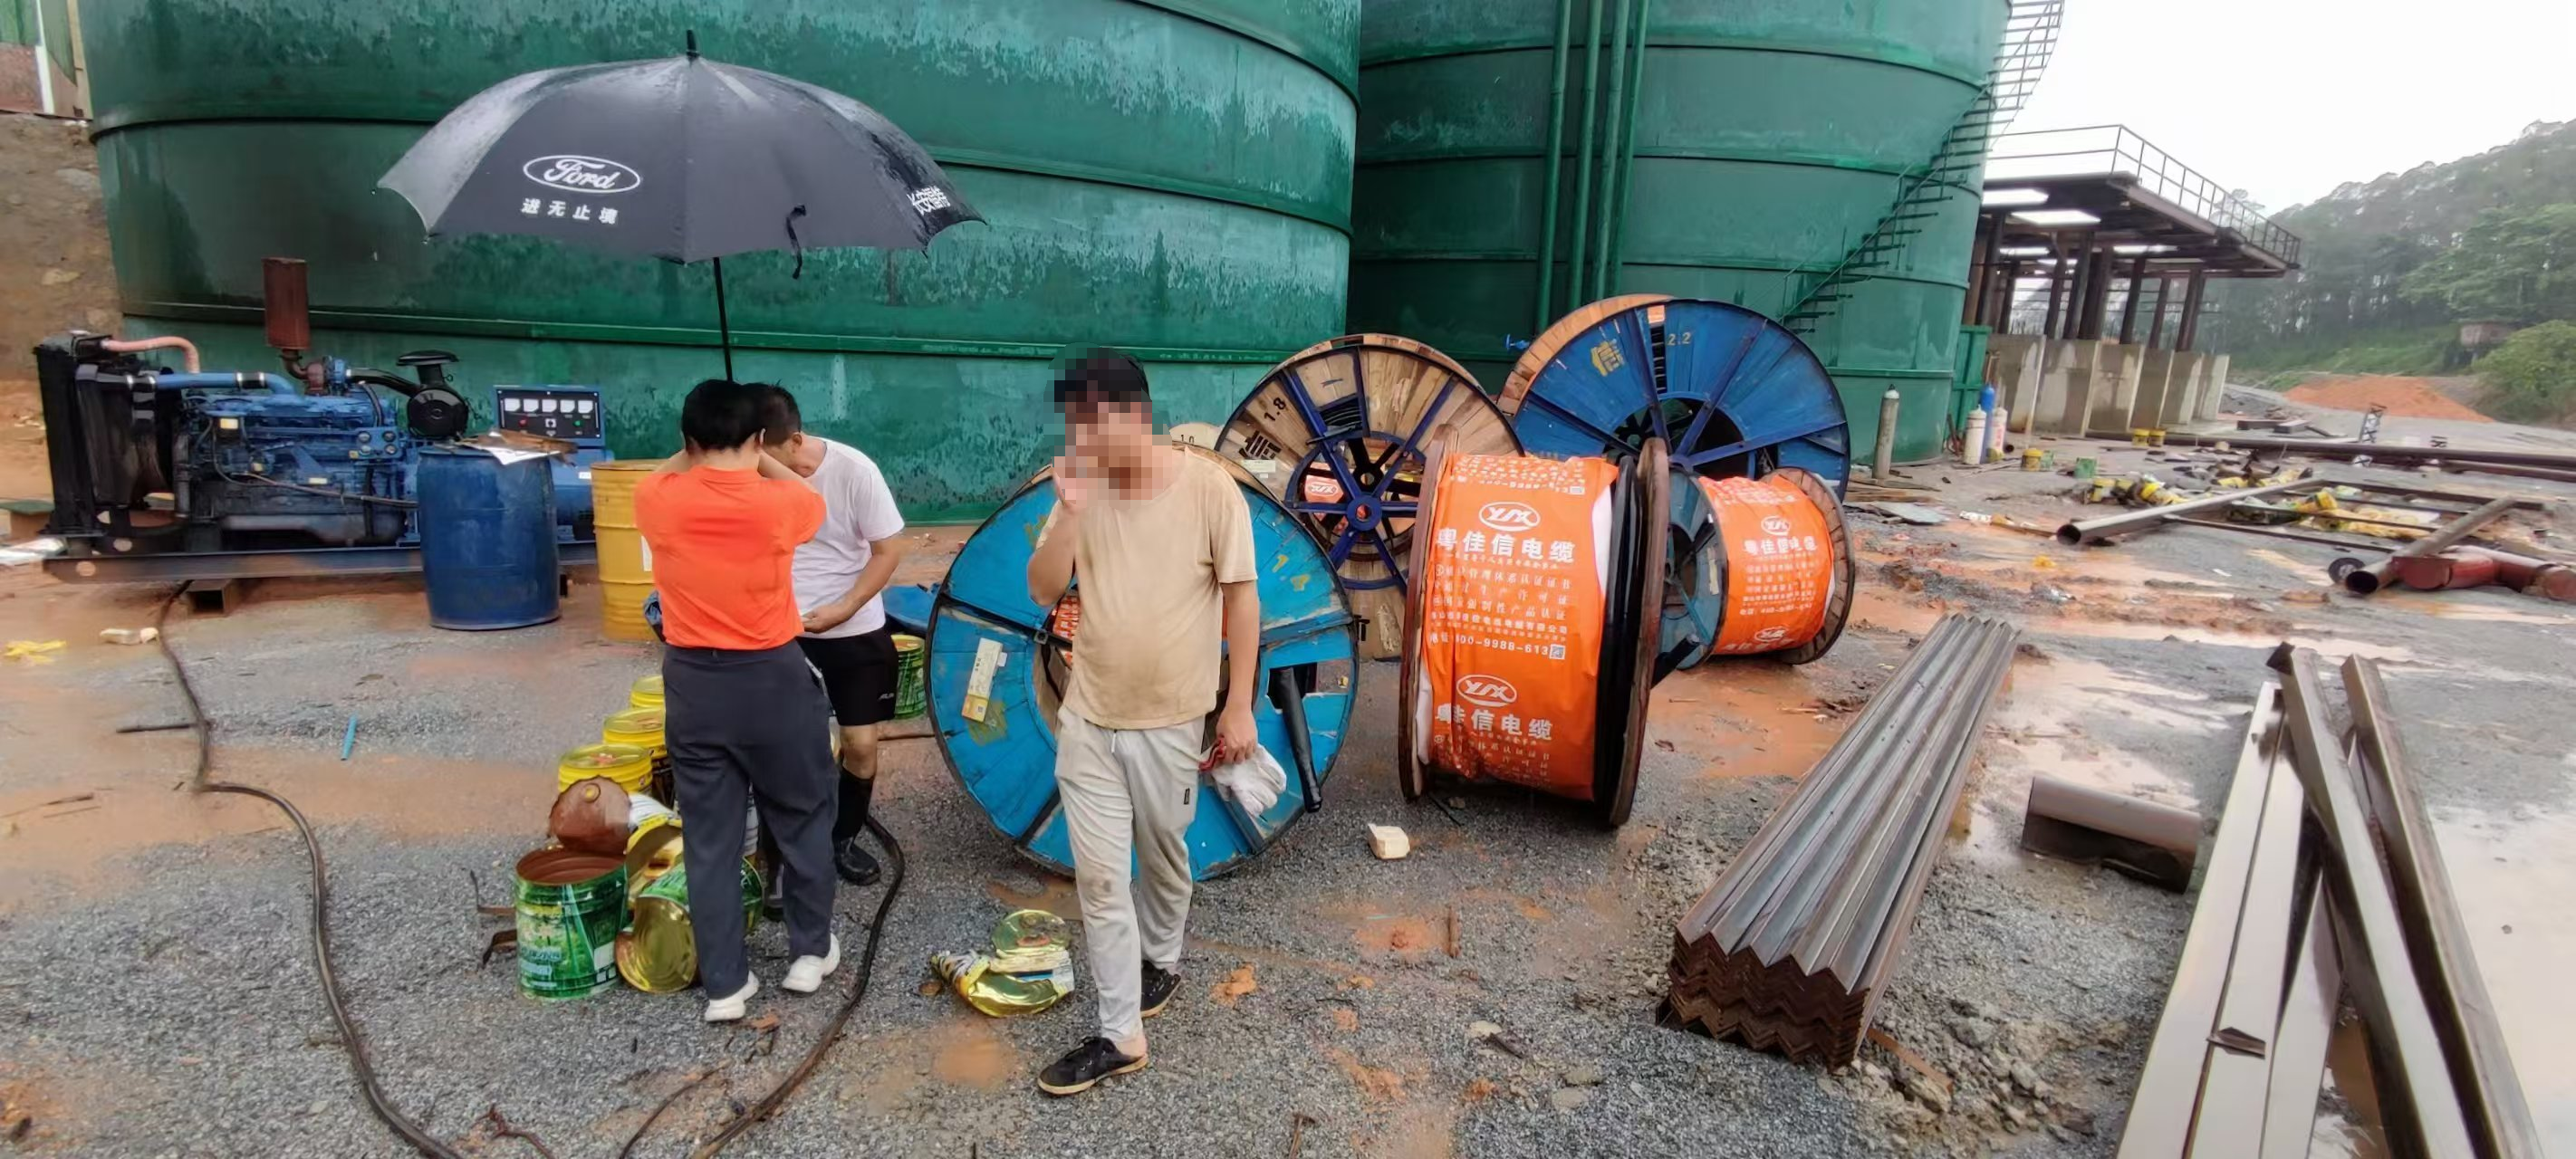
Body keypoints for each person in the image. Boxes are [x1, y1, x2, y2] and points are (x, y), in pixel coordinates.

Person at [1024, 349, 1261, 1096]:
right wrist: (1068, 509)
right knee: (1098, 877)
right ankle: (1119, 1033)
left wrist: (1240, 701)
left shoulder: (1208, 488)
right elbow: (1039, 590)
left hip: (1170, 717)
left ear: (1134, 416)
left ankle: (1164, 955)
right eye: (1072, 427)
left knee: (1163, 852)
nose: (1080, 442)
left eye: (1091, 425)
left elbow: (1243, 598)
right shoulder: (1077, 493)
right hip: (1090, 717)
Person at [633, 378, 841, 1023]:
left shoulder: (656, 500)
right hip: (772, 680)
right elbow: (805, 495)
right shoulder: (780, 505)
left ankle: (725, 983)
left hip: (695, 684)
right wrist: (758, 456)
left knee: (711, 838)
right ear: (758, 438)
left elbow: (671, 471)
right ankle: (809, 953)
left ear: (688, 442)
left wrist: (692, 454)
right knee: (802, 816)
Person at [756, 386, 908, 885]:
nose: (768, 471)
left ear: (796, 439)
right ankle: (775, 853)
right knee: (785, 746)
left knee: (860, 745)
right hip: (785, 630)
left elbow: (888, 549)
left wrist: (845, 606)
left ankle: (841, 838)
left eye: (776, 459)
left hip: (853, 627)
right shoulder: (749, 472)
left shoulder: (854, 470)